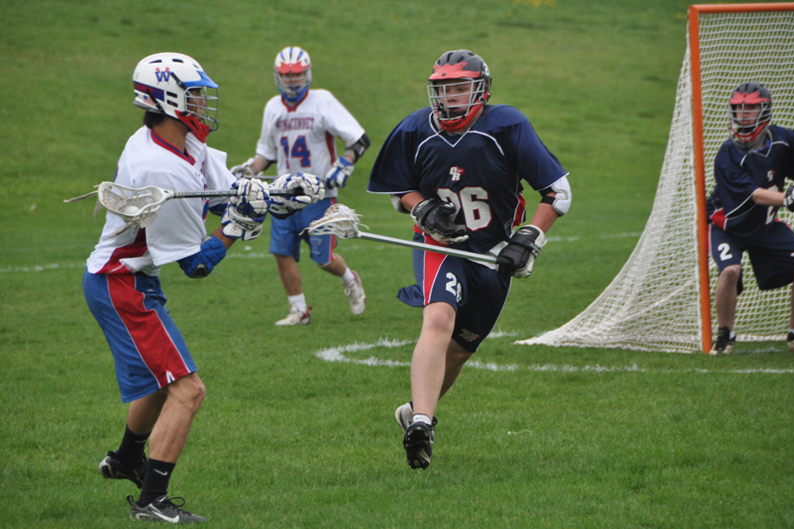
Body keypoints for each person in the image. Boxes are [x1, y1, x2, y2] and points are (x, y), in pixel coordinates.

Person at [83, 52, 312, 522]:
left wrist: (274, 192)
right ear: (167, 99)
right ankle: (151, 502)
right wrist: (239, 228)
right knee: (188, 390)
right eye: (194, 94)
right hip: (121, 284)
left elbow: (224, 191)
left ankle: (126, 459)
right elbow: (196, 265)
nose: (203, 102)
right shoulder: (157, 166)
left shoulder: (184, 141)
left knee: (157, 382)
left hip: (130, 279)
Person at [367, 49, 572, 469]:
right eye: (443, 89)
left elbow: (558, 192)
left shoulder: (507, 125)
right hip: (438, 246)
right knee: (438, 317)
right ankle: (423, 422)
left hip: (493, 253)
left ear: (481, 90)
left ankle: (413, 411)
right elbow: (397, 188)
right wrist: (420, 208)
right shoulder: (414, 129)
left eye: (459, 88)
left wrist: (530, 237)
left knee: (459, 351)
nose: (450, 98)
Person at [230, 46, 371, 326]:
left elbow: (359, 140)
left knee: (323, 258)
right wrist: (249, 169)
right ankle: (299, 310)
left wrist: (345, 163)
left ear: (307, 74)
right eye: (286, 76)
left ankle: (350, 279)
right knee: (282, 253)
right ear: (277, 76)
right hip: (283, 194)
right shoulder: (273, 107)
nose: (292, 81)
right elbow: (266, 154)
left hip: (319, 194)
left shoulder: (322, 101)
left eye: (297, 75)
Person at [706, 81, 794, 355]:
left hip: (766, 227)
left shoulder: (784, 140)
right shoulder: (727, 154)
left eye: (751, 108)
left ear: (765, 110)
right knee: (731, 271)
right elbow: (756, 195)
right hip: (728, 226)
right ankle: (726, 335)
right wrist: (788, 198)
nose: (744, 114)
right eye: (739, 109)